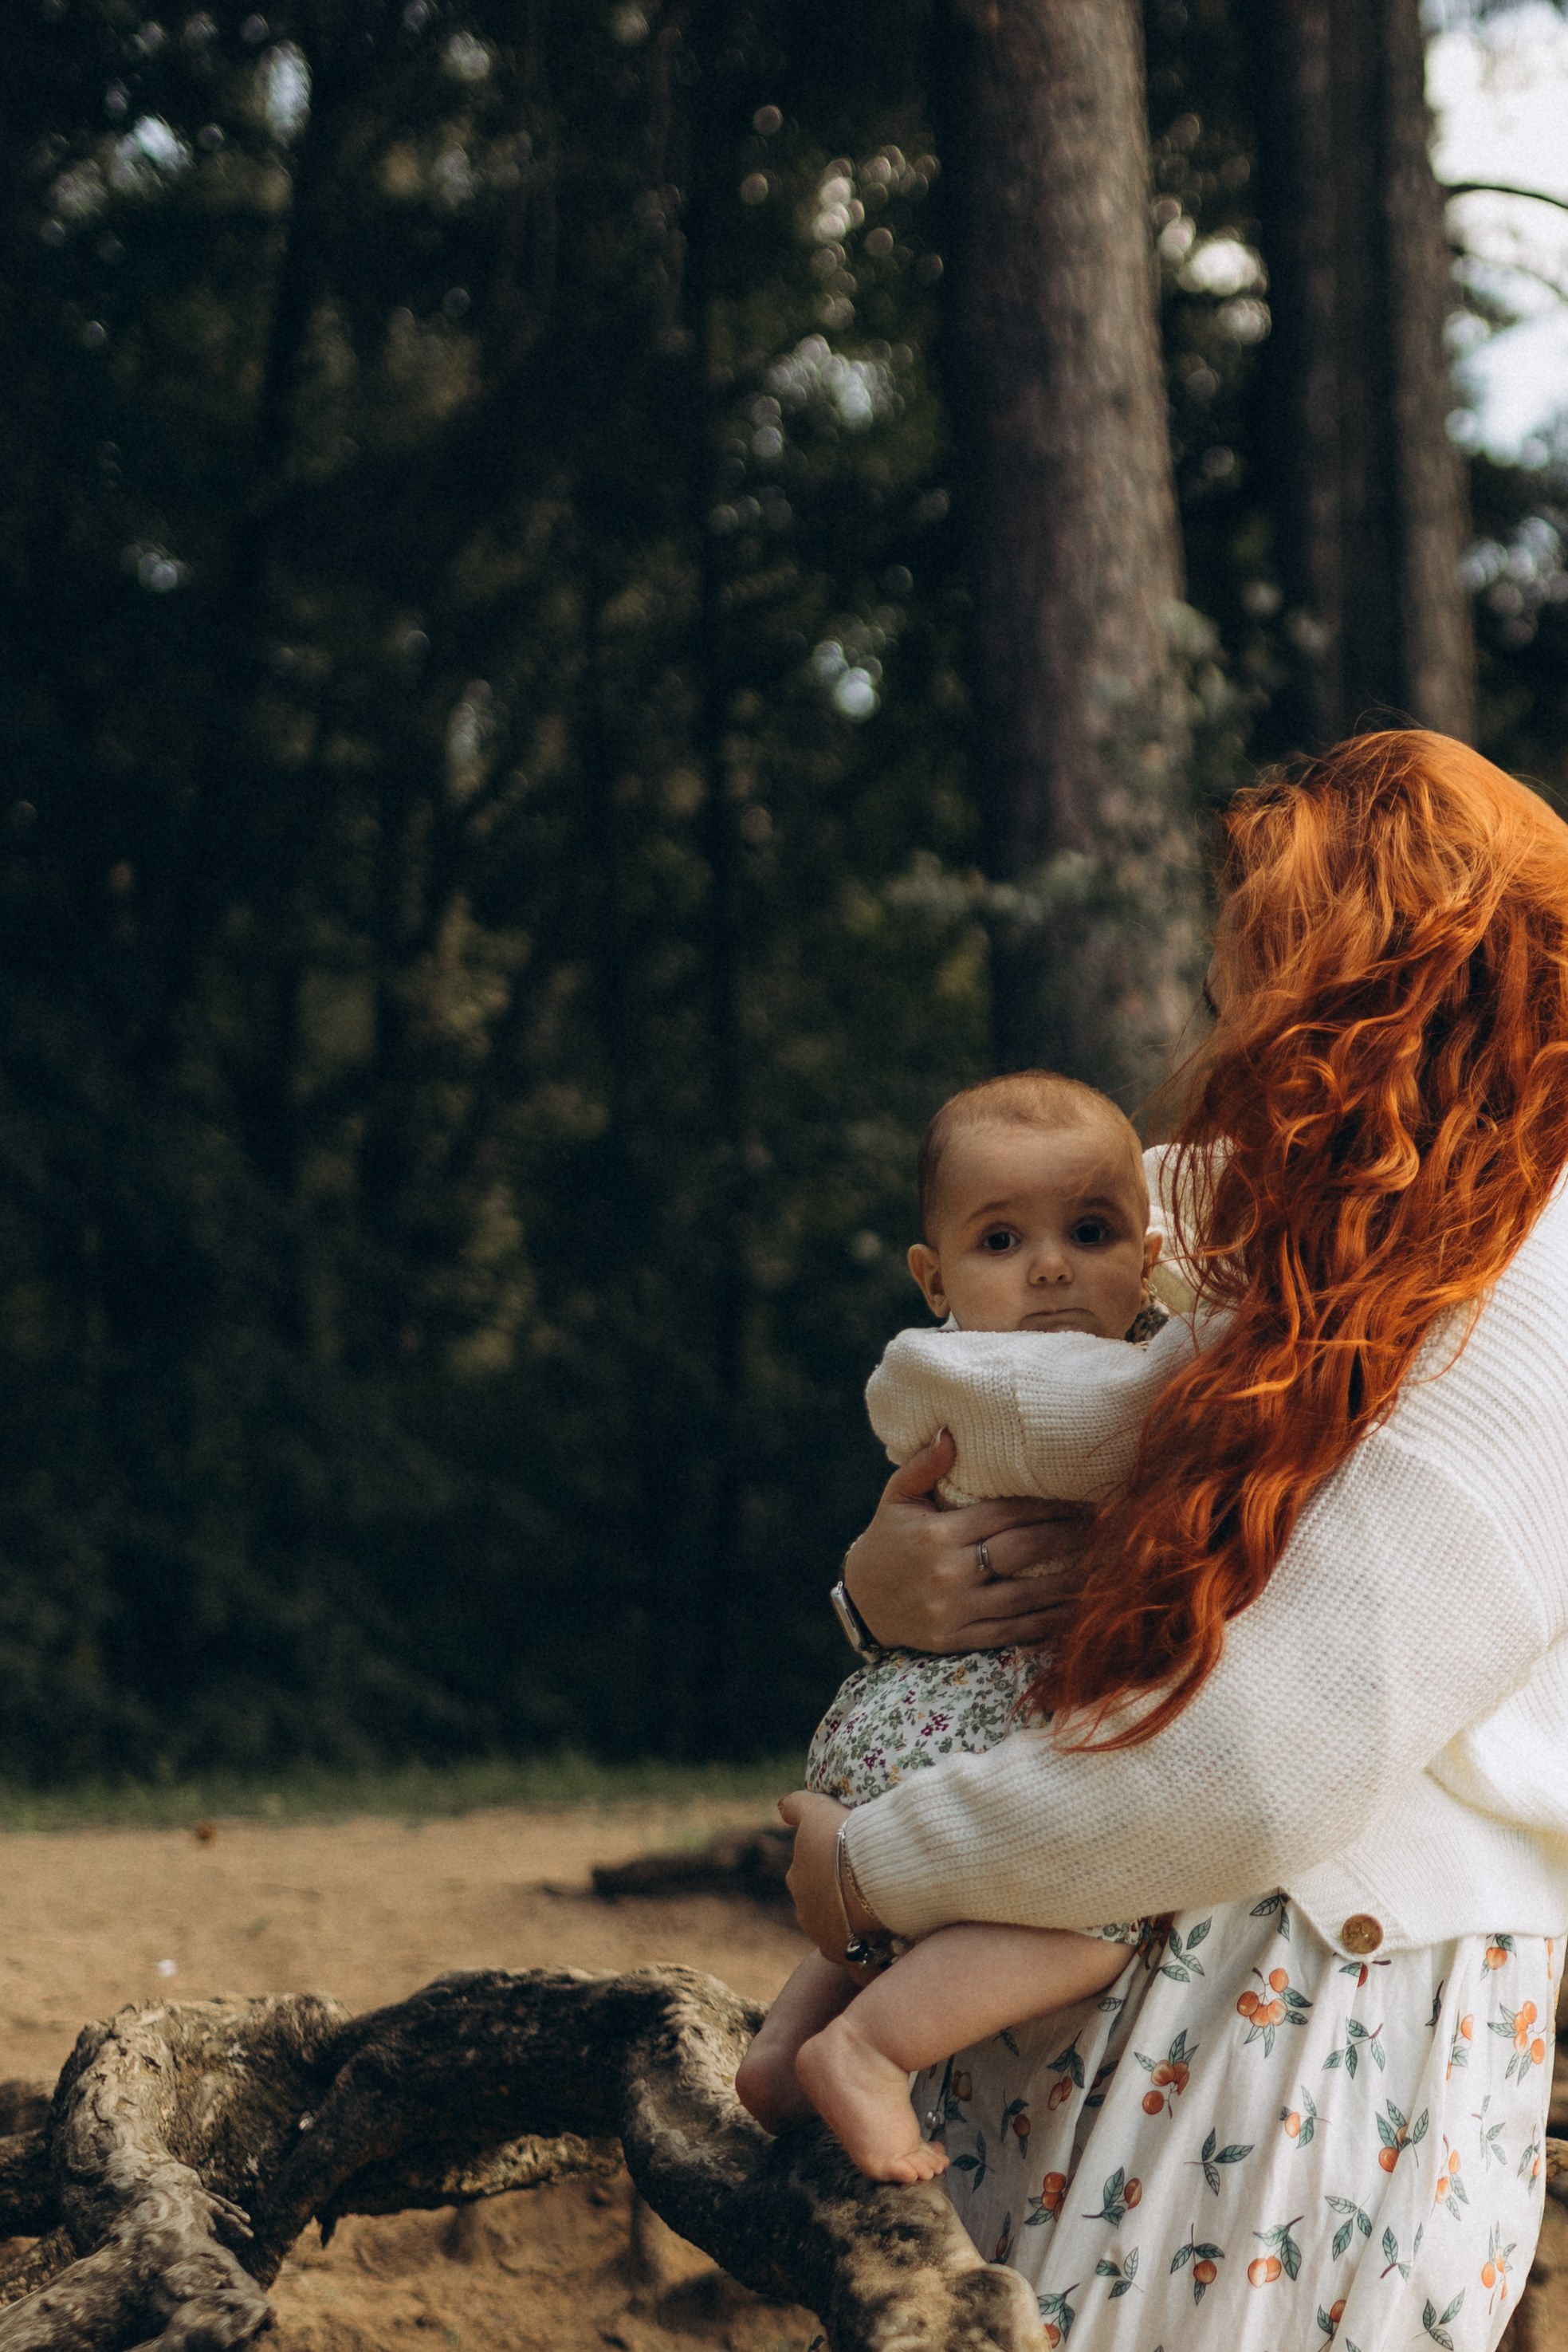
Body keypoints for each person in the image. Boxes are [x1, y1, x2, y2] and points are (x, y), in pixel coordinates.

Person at [777, 732, 1568, 2350]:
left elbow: (1259, 1766)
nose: (1230, 1041)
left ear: (1363, 991)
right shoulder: (1380, 1198)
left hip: (1316, 2014)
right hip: (1165, 1960)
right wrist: (877, 1590)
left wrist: (870, 1870)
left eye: (1254, 989)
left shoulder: (1527, 1286)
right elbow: (1058, 1223)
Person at [737, 1071, 1172, 2180]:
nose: (1051, 1268)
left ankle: (783, 2051)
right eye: (1001, 1241)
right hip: (985, 1725)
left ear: (1150, 1254)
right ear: (934, 1278)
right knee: (1094, 1916)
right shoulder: (1042, 1387)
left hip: (891, 1707)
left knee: (913, 1913)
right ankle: (869, 2050)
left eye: (1090, 1232)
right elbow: (1121, 1433)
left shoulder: (947, 1370)